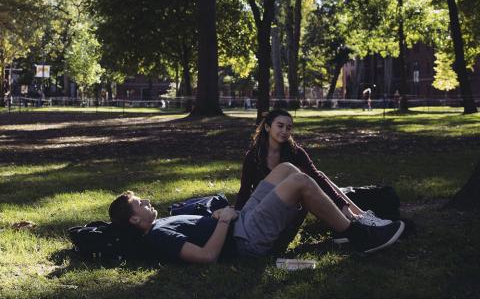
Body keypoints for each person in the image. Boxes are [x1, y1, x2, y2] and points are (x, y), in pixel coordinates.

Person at [109, 163, 405, 264]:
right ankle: (358, 235)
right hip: (243, 239)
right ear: (135, 220)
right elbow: (207, 257)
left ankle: (348, 221)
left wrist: (220, 214)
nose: (146, 199)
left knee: (287, 169)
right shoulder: (158, 235)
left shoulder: (161, 221)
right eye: (140, 202)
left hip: (240, 219)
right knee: (299, 182)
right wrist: (224, 220)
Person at [235, 109, 392, 236]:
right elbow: (245, 190)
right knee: (316, 177)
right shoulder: (254, 156)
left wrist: (341, 204)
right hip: (265, 209)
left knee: (319, 176)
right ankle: (354, 218)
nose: (284, 131)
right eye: (280, 126)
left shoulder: (296, 152)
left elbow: (317, 179)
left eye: (288, 128)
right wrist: (237, 217)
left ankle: (357, 216)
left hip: (290, 205)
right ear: (268, 127)